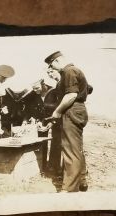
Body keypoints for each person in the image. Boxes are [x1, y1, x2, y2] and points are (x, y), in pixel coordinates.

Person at [44, 51, 91, 192]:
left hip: (72, 110)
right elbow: (88, 88)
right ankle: (81, 181)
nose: (52, 69)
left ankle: (69, 188)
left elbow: (71, 95)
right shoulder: (72, 72)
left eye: (52, 66)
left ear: (57, 61)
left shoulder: (69, 71)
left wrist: (57, 111)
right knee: (76, 148)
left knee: (70, 150)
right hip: (74, 109)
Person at [23, 79, 62, 175]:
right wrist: (36, 120)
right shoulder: (34, 94)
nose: (35, 91)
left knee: (56, 143)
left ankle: (56, 167)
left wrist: (53, 122)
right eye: (33, 89)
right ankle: (43, 166)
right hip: (42, 121)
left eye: (37, 88)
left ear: (43, 85)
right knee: (41, 142)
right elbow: (30, 108)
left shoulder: (54, 92)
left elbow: (60, 109)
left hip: (56, 119)